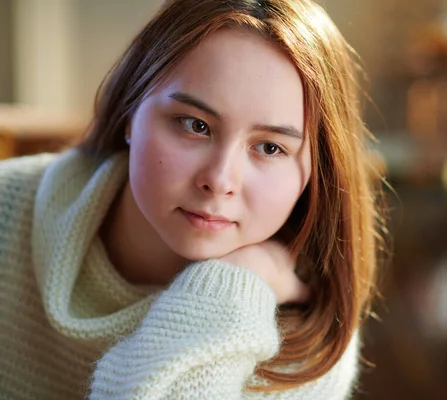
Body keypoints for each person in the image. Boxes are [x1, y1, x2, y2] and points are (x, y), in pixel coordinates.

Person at [0, 0, 386, 398]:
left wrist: (234, 285)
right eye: (195, 125)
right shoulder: (7, 208)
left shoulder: (308, 346)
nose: (220, 181)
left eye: (270, 148)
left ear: (315, 172)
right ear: (132, 112)